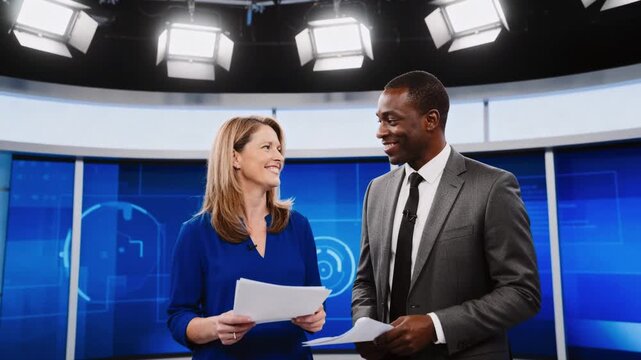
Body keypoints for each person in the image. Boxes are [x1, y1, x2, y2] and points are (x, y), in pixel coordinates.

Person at [352, 71, 541, 360]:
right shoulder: (376, 191)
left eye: (391, 120)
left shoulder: (493, 187)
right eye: (379, 120)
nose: (380, 131)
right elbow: (366, 281)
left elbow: (521, 292)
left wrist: (436, 325)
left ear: (430, 120)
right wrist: (364, 324)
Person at [167, 116, 326, 359]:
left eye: (280, 149)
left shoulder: (298, 226)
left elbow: (316, 301)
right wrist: (214, 326)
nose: (279, 157)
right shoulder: (196, 232)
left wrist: (315, 317)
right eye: (267, 147)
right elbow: (179, 317)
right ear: (234, 158)